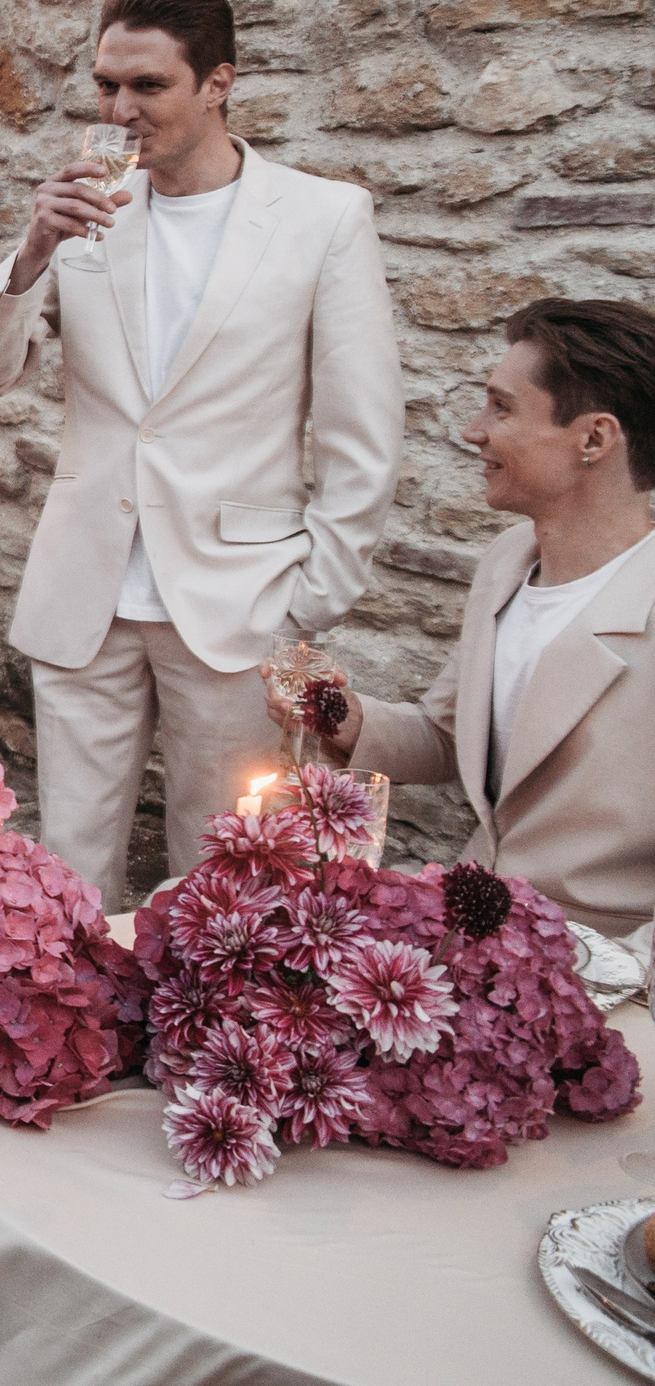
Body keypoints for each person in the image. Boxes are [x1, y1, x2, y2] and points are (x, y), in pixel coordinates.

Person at [0, 0, 402, 905]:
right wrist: (30, 254)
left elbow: (364, 439)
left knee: (225, 875)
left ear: (218, 82)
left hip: (239, 606)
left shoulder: (324, 219)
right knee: (67, 871)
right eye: (106, 86)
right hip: (86, 590)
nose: (120, 111)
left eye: (147, 87)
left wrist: (304, 607)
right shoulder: (82, 212)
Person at [269, 300, 655, 936]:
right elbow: (448, 738)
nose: (473, 431)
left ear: (594, 438)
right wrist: (344, 716)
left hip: (607, 974)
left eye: (501, 407)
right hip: (470, 937)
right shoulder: (508, 562)